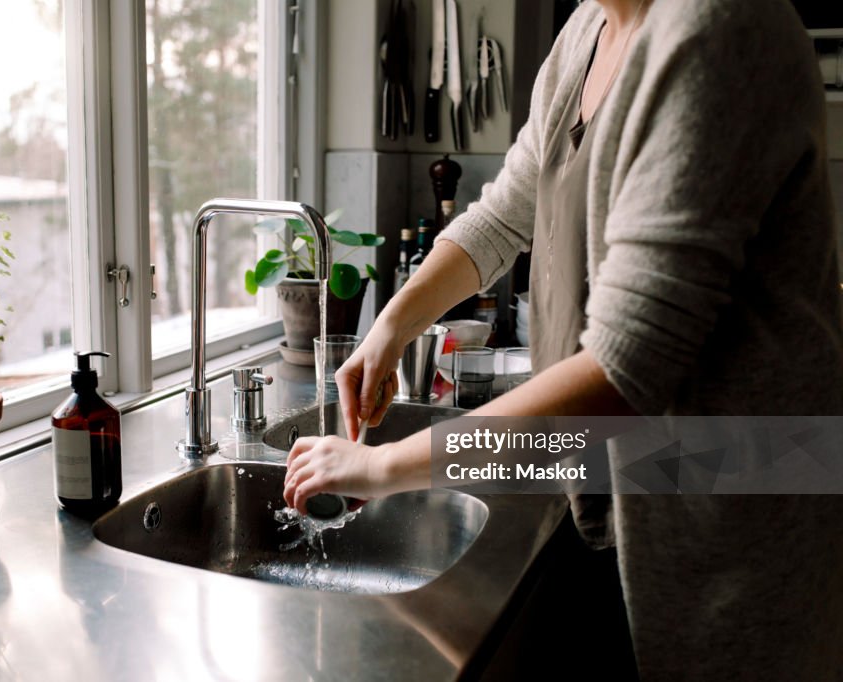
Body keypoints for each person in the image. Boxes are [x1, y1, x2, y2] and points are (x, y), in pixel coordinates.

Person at [283, 0, 843, 679]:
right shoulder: (588, 30)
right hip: (616, 493)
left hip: (729, 527)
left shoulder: (719, 28)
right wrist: (395, 321)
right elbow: (503, 215)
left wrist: (383, 466)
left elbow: (623, 371)